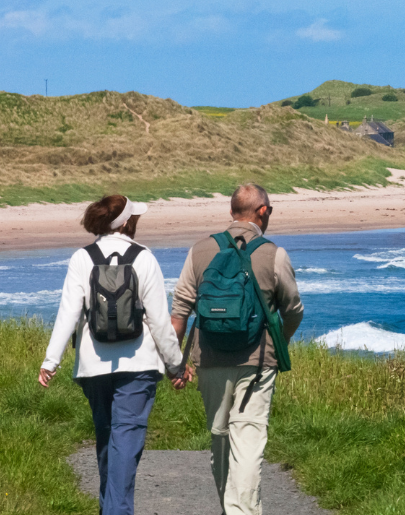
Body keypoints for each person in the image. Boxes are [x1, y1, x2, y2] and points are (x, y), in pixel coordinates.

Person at [39, 195, 185, 515]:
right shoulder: (144, 257)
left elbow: (68, 313)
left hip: (93, 366)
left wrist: (51, 361)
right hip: (139, 364)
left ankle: (110, 508)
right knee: (125, 444)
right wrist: (176, 365)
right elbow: (160, 321)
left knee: (108, 444)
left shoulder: (82, 258)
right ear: (127, 223)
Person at [171, 184, 304, 515]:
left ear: (232, 212)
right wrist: (279, 343)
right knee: (248, 440)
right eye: (269, 210)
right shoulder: (274, 254)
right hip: (258, 363)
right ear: (262, 212)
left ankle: (231, 507)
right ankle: (241, 511)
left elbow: (179, 312)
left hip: (209, 359)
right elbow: (294, 310)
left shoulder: (200, 250)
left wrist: (175, 362)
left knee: (219, 436)